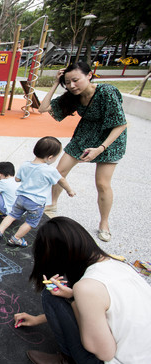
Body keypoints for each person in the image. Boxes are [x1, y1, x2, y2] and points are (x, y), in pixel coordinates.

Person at [14, 216, 151, 364]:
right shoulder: (119, 265)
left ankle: (67, 363)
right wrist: (41, 317)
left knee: (50, 294)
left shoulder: (86, 288)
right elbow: (106, 309)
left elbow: (104, 352)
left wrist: (75, 302)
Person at [38, 62, 127, 242]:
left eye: (76, 80)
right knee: (58, 172)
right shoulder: (73, 96)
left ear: (89, 75)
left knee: (102, 184)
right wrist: (56, 83)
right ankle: (52, 206)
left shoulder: (106, 92)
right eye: (67, 82)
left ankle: (104, 223)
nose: (72, 85)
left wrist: (100, 148)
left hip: (109, 137)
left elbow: (121, 124)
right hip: (85, 134)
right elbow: (42, 108)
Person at [0, 136, 75, 247]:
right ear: (50, 157)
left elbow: (17, 179)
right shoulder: (50, 170)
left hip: (21, 198)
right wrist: (70, 190)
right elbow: (61, 180)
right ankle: (16, 238)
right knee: (30, 223)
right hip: (36, 202)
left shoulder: (25, 165)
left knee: (12, 215)